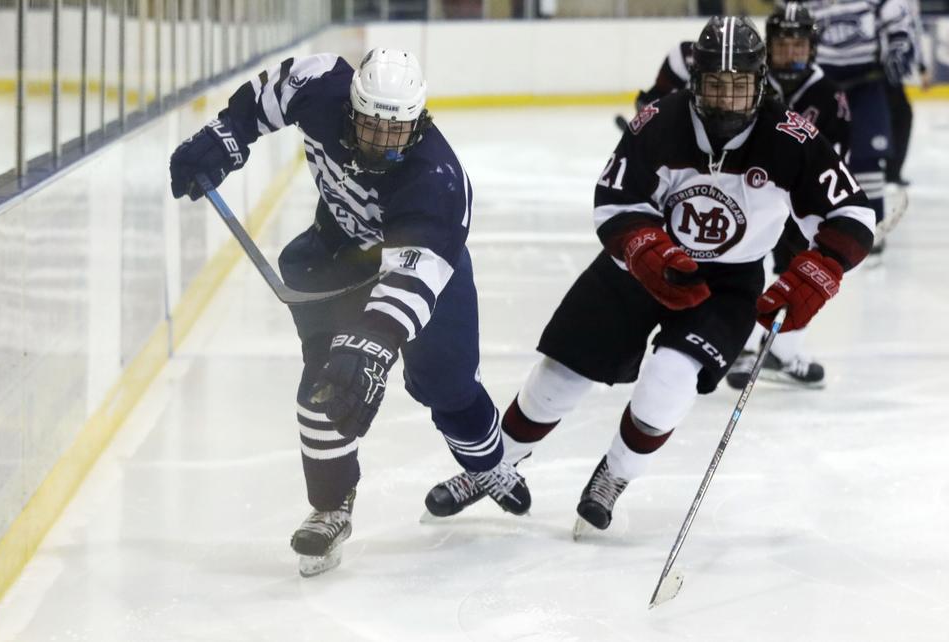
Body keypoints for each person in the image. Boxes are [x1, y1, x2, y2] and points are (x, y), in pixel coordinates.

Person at [425, 16, 874, 535]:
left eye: (740, 86)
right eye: (715, 85)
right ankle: (493, 467)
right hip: (642, 267)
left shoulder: (791, 138)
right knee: (560, 377)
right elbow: (615, 200)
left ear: (759, 83)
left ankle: (614, 476)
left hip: (727, 286)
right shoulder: (661, 121)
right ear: (696, 82)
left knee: (671, 379)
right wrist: (646, 250)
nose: (727, 99)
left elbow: (854, 215)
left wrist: (818, 273)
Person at [168, 49, 530, 576]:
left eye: (396, 132)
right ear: (351, 109)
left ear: (419, 123)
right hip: (334, 261)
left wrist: (372, 344)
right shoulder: (322, 86)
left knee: (447, 386)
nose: (382, 142)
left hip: (425, 277)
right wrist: (227, 134)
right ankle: (331, 506)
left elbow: (410, 281)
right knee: (326, 388)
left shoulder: (440, 181)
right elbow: (275, 91)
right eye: (370, 127)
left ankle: (488, 463)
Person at [726, 2, 852, 389]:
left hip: (800, 204)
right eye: (784, 44)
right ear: (770, 45)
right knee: (745, 265)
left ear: (811, 47)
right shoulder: (752, 83)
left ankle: (783, 350)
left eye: (799, 44)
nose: (791, 51)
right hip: (753, 197)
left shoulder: (830, 95)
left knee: (804, 271)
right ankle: (743, 347)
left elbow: (839, 157)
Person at [800, 0, 917, 255]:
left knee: (868, 160)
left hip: (867, 86)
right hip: (823, 87)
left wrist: (899, 46)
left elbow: (897, 20)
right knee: (816, 157)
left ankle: (872, 228)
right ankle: (822, 224)